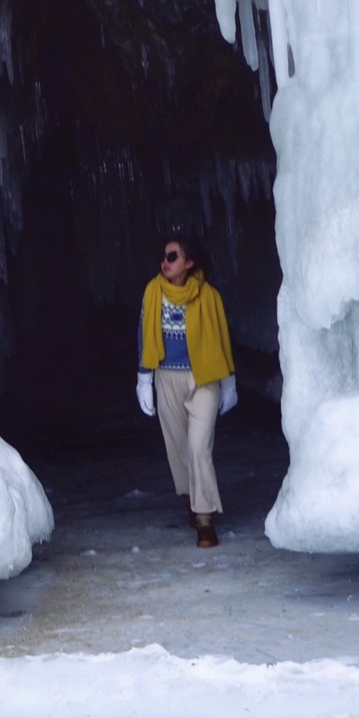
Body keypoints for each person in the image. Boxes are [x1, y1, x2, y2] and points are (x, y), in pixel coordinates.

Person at [135, 235, 236, 548]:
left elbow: (221, 336)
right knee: (179, 448)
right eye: (164, 256)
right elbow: (143, 335)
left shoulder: (208, 296)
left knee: (198, 448)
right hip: (167, 377)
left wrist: (229, 381)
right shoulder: (153, 292)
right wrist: (143, 378)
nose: (165, 262)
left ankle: (205, 518)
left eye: (173, 256)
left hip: (205, 379)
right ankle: (193, 498)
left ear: (189, 263)